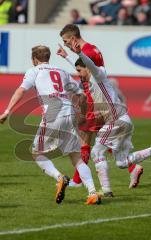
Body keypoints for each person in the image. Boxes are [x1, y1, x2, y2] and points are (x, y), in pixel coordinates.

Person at [0, 45, 101, 205]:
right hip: (69, 113)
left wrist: (7, 111)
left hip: (53, 114)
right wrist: (81, 115)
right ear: (48, 57)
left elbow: (21, 90)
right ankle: (93, 193)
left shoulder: (34, 71)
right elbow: (81, 95)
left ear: (34, 59)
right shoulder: (62, 71)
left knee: (36, 153)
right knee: (76, 157)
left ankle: (59, 178)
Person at [59, 24, 143, 191]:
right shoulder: (93, 48)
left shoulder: (87, 52)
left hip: (95, 102)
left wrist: (76, 55)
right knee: (102, 140)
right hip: (100, 101)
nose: (66, 44)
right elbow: (85, 69)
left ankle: (81, 181)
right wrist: (68, 57)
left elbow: (88, 72)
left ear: (73, 39)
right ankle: (133, 167)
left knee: (86, 140)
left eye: (66, 41)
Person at [69, 40, 151, 174]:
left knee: (96, 152)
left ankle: (101, 190)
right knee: (121, 163)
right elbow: (81, 67)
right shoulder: (91, 77)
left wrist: (79, 53)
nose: (78, 74)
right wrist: (67, 56)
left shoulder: (98, 74)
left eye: (80, 70)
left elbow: (86, 65)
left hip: (116, 120)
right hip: (119, 120)